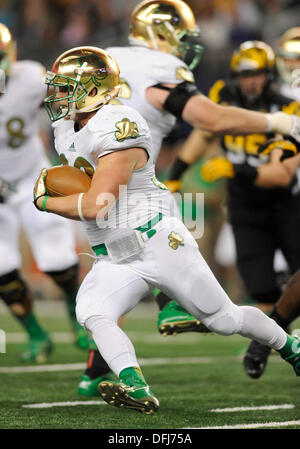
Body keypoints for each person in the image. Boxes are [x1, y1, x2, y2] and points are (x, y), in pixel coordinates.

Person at [34, 45, 300, 416]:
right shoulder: (66, 124)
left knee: (223, 319)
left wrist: (45, 201)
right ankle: (135, 385)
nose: (57, 95)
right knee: (92, 311)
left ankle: (291, 348)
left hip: (157, 240)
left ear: (92, 87)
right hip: (114, 253)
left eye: (65, 87)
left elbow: (98, 204)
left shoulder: (117, 122)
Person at [165, 38, 300, 379]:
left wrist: (234, 168)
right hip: (243, 205)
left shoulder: (287, 108)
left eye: (257, 74)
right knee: (259, 285)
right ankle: (269, 343)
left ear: (270, 75)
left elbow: (282, 175)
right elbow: (204, 131)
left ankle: (269, 341)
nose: (250, 81)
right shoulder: (226, 98)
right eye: (244, 74)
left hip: (286, 205)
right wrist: (177, 174)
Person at [0, 23, 89, 362]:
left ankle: (74, 312)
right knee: (2, 269)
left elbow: (69, 100)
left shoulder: (28, 78)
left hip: (30, 179)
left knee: (57, 260)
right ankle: (37, 335)